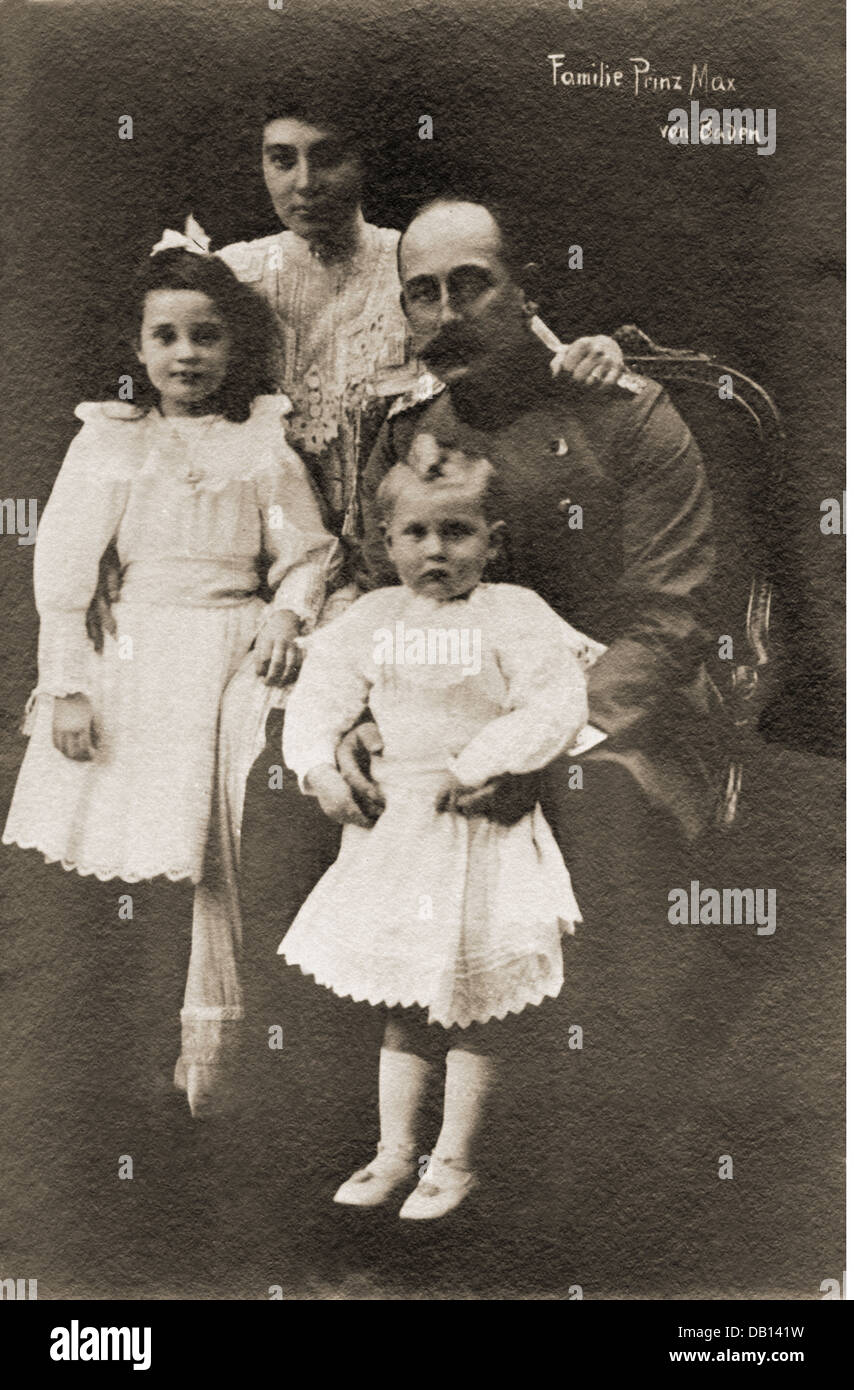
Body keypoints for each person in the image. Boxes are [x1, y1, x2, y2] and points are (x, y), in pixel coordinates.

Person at [171, 89, 630, 1114]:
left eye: (326, 157)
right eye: (278, 159)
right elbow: (167, 335)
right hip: (309, 564)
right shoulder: (243, 272)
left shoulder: (420, 266)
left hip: (412, 561)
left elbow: (541, 349)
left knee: (408, 725)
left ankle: (414, 1037)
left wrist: (594, 351)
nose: (302, 184)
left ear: (365, 167)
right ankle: (282, 1049)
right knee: (259, 721)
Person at [2, 235, 337, 1103]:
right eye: (168, 337)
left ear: (233, 347)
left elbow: (306, 551)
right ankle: (108, 1052)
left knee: (213, 840)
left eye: (207, 336)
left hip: (230, 651)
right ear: (140, 348)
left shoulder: (263, 445)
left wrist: (289, 612)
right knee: (128, 852)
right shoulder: (111, 442)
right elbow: (66, 576)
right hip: (136, 656)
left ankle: (215, 1047)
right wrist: (69, 684)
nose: (188, 354)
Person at [278, 443, 603, 1218]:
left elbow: (555, 702)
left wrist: (490, 758)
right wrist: (320, 768)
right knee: (404, 994)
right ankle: (395, 1150)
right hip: (399, 831)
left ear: (492, 541)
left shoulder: (512, 613)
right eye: (416, 534)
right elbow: (319, 696)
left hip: (480, 826)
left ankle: (453, 1158)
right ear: (386, 545)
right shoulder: (373, 617)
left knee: (469, 997)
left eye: (457, 532)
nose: (436, 551)